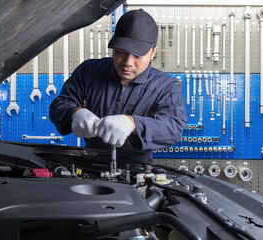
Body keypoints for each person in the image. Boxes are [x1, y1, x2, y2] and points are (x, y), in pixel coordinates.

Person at [49, 9, 187, 163]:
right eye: (121, 52)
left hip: (137, 170)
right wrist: (75, 113)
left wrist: (132, 123)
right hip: (90, 165)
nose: (128, 62)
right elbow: (59, 104)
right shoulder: (88, 71)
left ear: (153, 52)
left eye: (138, 55)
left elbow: (173, 128)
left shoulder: (166, 86)